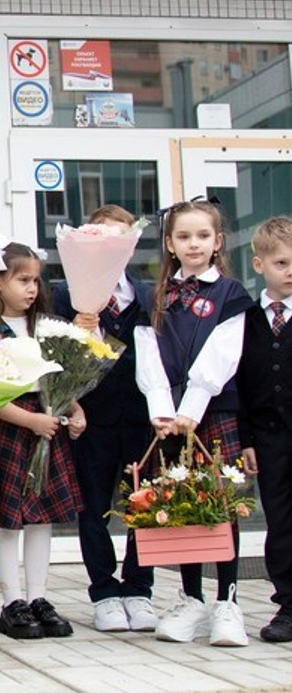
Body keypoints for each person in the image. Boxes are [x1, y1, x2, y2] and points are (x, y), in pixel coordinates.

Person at [136, 199, 253, 646]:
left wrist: (192, 408)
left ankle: (227, 602)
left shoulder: (231, 294)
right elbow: (148, 354)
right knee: (178, 503)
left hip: (213, 411)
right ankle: (191, 599)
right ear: (169, 243)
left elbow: (224, 354)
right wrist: (162, 411)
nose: (194, 244)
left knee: (221, 504)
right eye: (183, 236)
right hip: (169, 418)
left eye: (203, 236)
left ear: (218, 241)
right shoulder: (155, 297)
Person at [0, 237, 85, 642]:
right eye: (23, 280)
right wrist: (29, 420)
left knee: (41, 517)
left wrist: (75, 410)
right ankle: (11, 601)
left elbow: (60, 376)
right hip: (11, 425)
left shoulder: (46, 327)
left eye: (36, 280)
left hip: (47, 422)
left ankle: (38, 597)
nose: (32, 289)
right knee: (9, 518)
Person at [50, 205, 157, 634]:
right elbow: (53, 355)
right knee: (92, 507)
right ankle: (104, 592)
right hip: (91, 420)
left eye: (120, 238)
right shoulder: (66, 295)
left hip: (141, 419)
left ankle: (139, 588)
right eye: (102, 237)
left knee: (144, 505)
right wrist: (77, 330)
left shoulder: (148, 294)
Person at [238, 216, 292, 644]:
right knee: (281, 521)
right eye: (281, 263)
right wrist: (247, 441)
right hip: (270, 439)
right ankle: (288, 604)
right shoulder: (247, 321)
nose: (290, 271)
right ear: (259, 265)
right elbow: (238, 385)